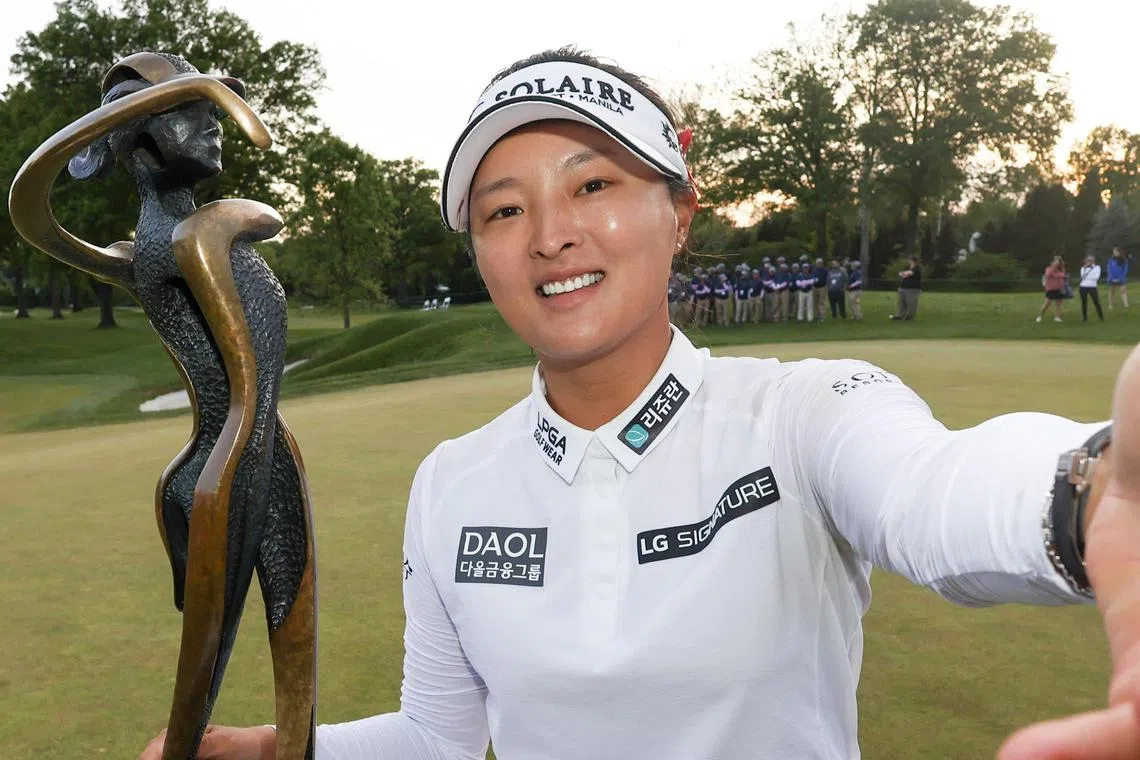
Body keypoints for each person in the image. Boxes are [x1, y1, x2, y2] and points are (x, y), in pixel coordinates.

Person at [139, 46, 1140, 760]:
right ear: (481, 251)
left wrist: (1099, 486)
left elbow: (932, 491)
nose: (550, 234)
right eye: (503, 208)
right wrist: (285, 749)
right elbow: (440, 736)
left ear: (681, 211)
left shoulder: (804, 413)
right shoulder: (451, 481)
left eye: (593, 185)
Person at [889, 255, 922, 320]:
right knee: (901, 302)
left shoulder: (917, 268)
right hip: (903, 288)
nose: (908, 260)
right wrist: (904, 273)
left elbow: (910, 273)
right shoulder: (907, 267)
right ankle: (899, 315)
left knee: (911, 303)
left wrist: (905, 273)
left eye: (909, 259)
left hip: (912, 289)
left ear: (913, 260)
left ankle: (909, 316)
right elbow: (900, 273)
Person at [1037, 255, 1067, 323]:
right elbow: (1048, 275)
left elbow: (1063, 275)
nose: (1057, 263)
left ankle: (1057, 317)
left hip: (1059, 288)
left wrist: (1056, 275)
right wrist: (1054, 268)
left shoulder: (1061, 269)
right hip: (1051, 289)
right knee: (1047, 304)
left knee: (1058, 304)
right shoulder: (1049, 268)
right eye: (1056, 261)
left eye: (1058, 261)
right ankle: (1039, 316)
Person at [1080, 255, 1105, 323]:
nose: (1088, 262)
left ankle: (1101, 317)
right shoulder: (1083, 268)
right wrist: (1086, 270)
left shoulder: (1097, 267)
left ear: (1093, 261)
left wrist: (1089, 277)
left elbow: (1096, 277)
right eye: (1087, 260)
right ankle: (1084, 318)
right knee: (1084, 302)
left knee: (1096, 301)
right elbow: (1082, 276)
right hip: (1083, 286)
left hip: (1092, 287)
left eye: (1090, 260)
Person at [1108, 246, 1131, 311]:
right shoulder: (1111, 260)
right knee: (1111, 291)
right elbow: (1109, 269)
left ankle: (1126, 304)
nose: (1114, 253)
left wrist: (1119, 278)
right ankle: (1110, 305)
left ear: (1119, 252)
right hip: (1112, 279)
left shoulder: (1124, 260)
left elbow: (1125, 270)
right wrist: (1112, 278)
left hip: (1121, 278)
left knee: (1123, 291)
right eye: (1113, 252)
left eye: (1116, 252)